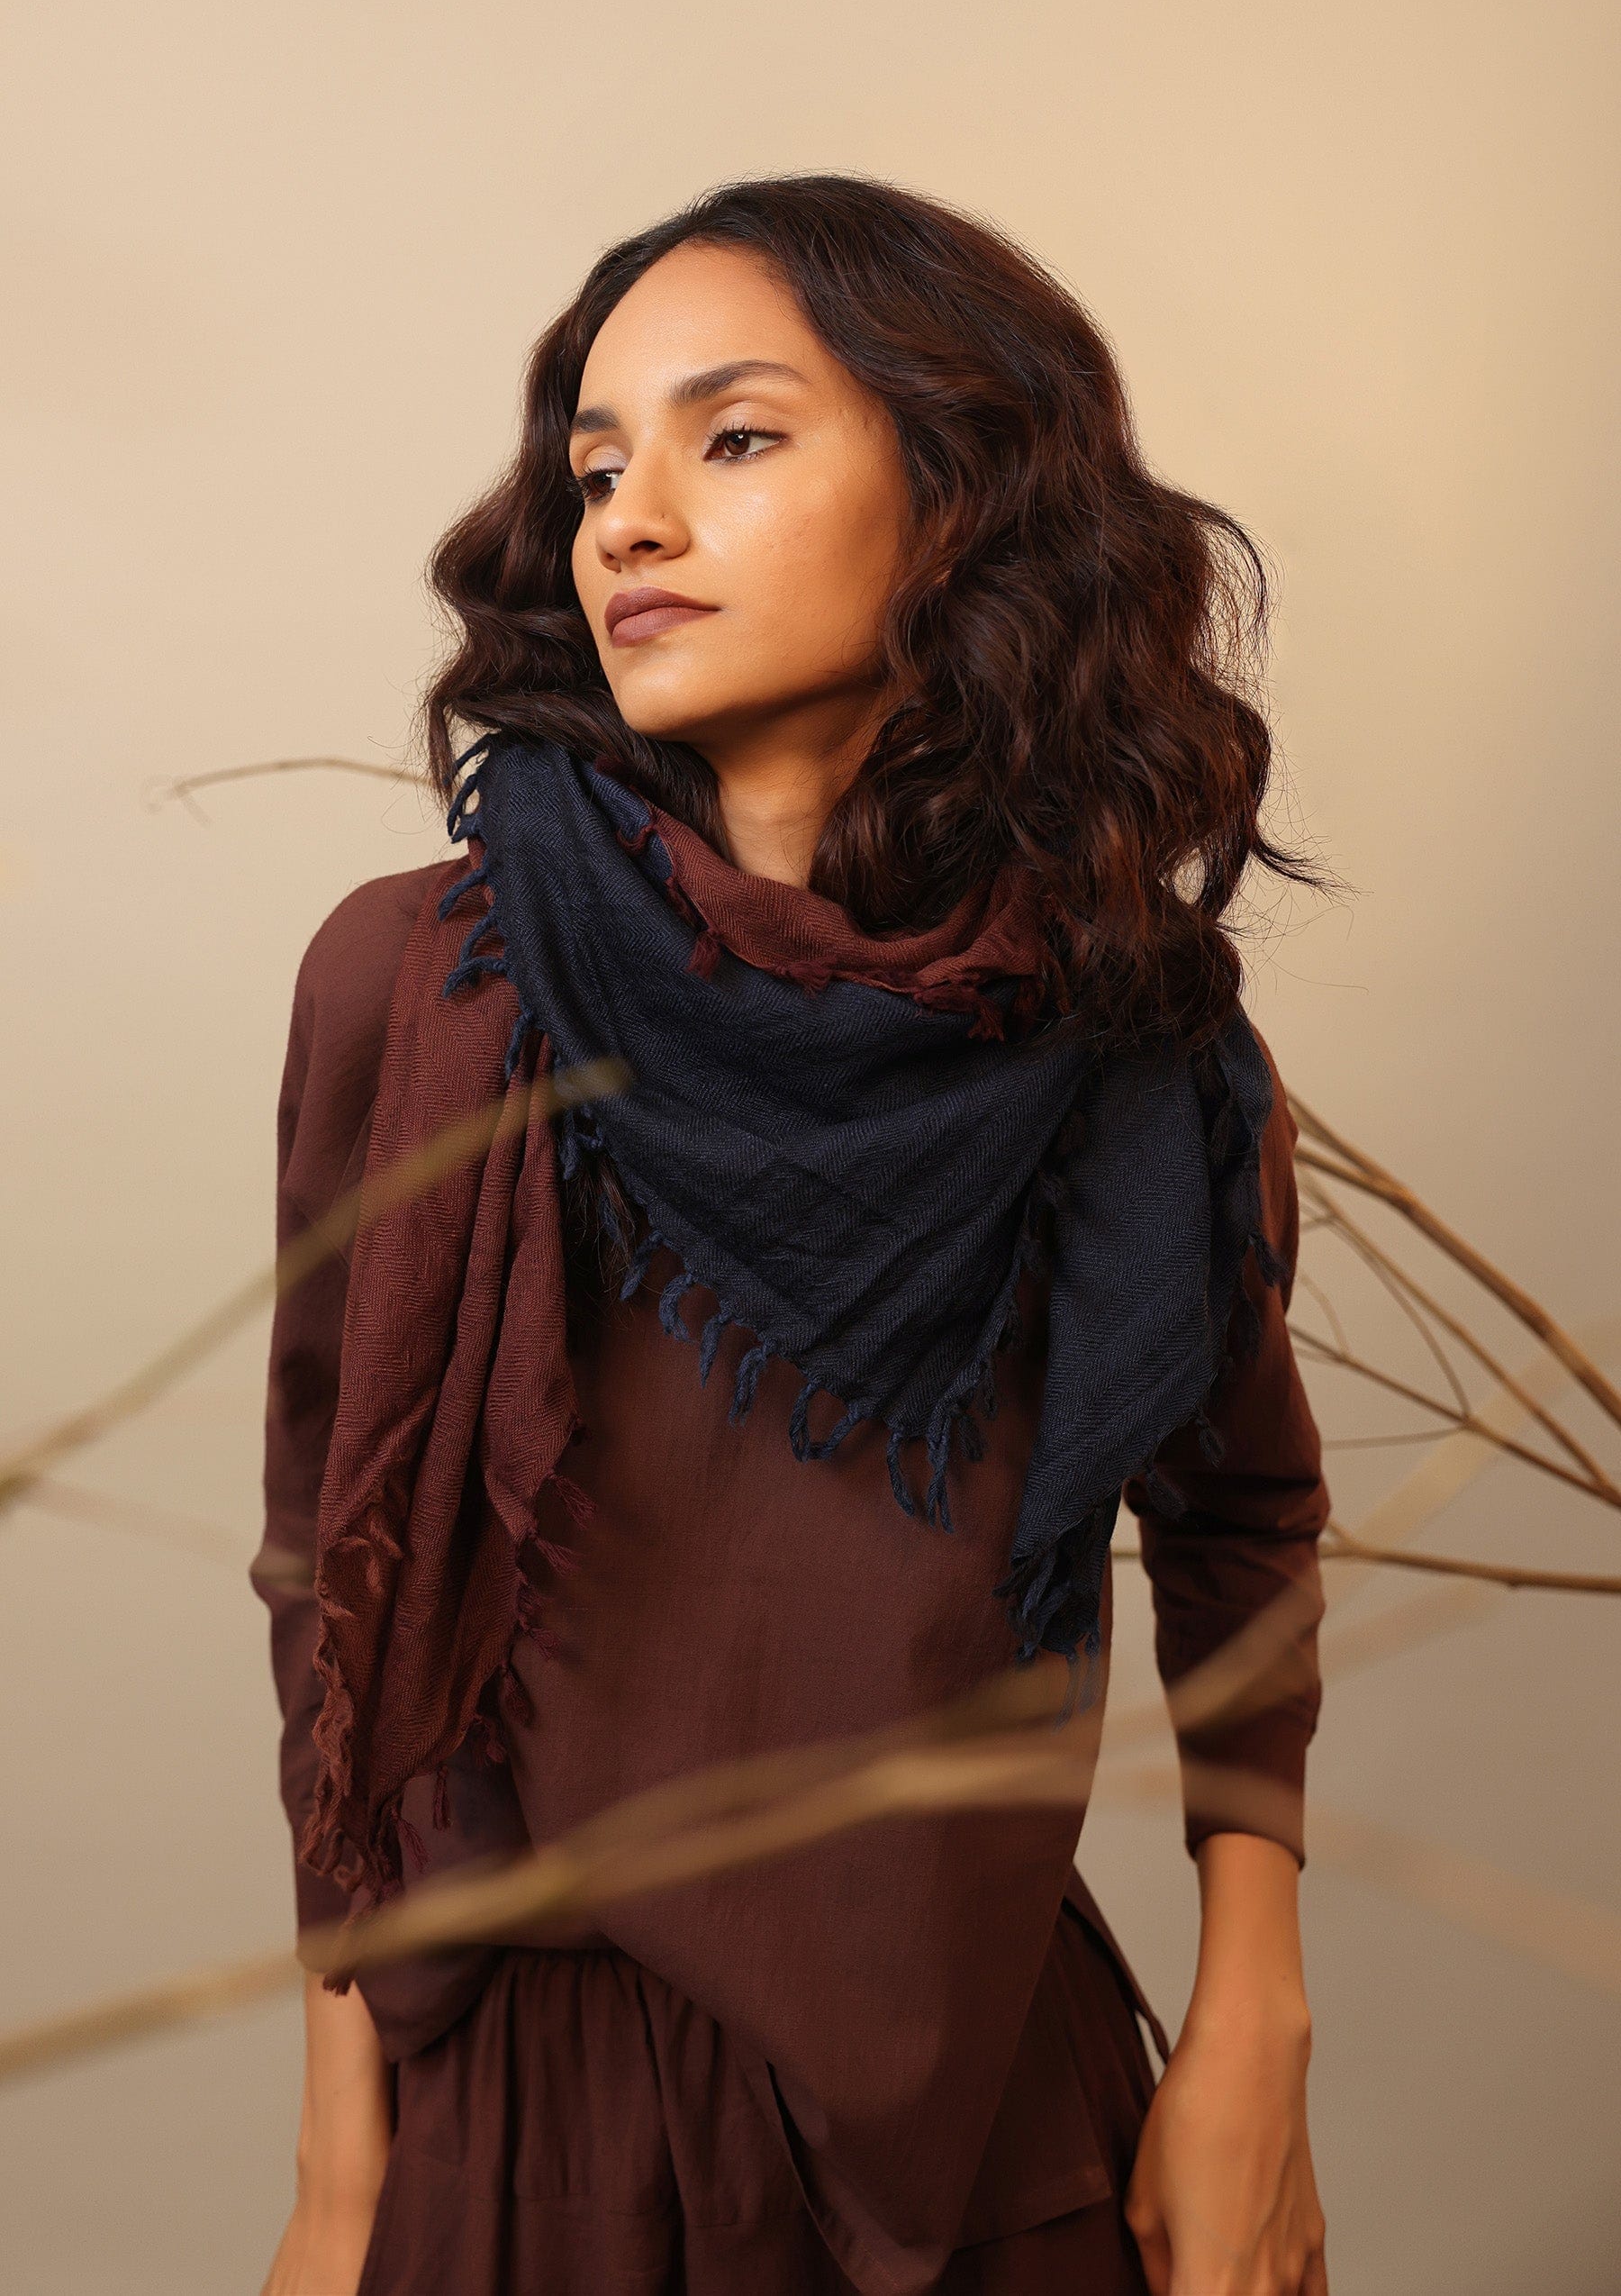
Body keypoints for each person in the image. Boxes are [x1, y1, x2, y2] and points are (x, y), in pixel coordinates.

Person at [253, 173, 1333, 2296]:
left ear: (962, 497)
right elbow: (334, 1567)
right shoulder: (428, 986)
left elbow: (1242, 1523)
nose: (629, 524)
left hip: (985, 2099)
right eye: (595, 470)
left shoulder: (1130, 1036)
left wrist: (1255, 2025)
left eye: (732, 438)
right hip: (525, 2113)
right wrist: (340, 2144)